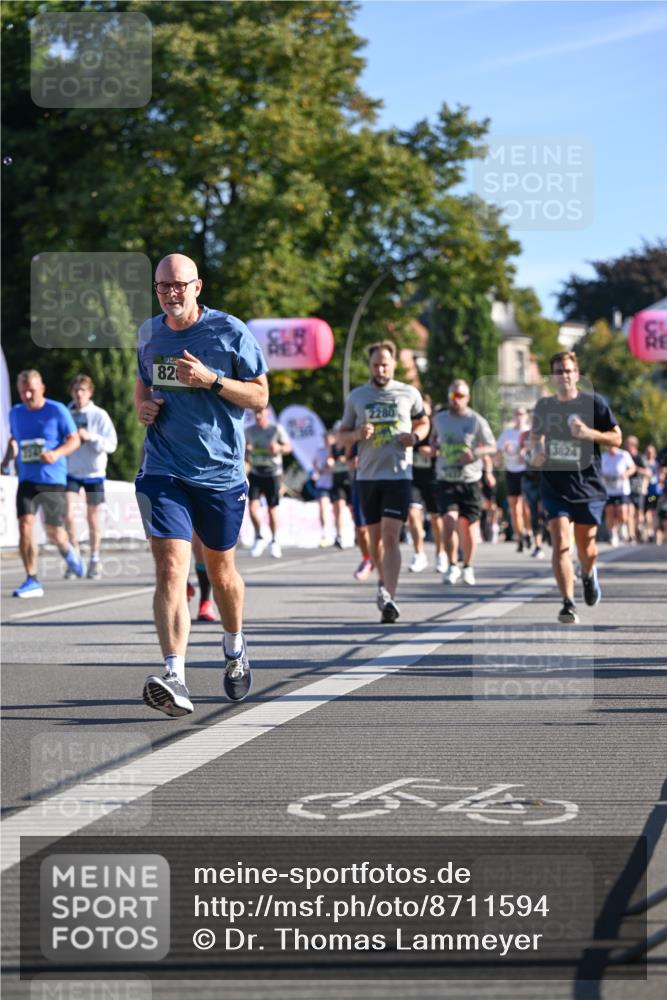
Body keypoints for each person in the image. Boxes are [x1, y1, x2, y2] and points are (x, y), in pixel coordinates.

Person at [135, 253, 268, 717]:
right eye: (162, 286)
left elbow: (259, 395)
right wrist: (144, 409)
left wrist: (211, 380)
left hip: (220, 472)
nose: (170, 293)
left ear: (197, 287)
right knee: (172, 568)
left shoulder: (229, 331)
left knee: (221, 574)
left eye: (178, 285)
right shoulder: (148, 334)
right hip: (162, 468)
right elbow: (142, 383)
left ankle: (234, 646)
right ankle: (175, 675)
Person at [528, 351, 622, 624]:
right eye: (559, 371)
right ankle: (568, 603)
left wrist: (588, 433)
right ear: (552, 377)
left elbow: (617, 438)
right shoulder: (544, 407)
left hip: (587, 485)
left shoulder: (594, 404)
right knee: (560, 543)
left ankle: (588, 573)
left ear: (577, 374)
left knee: (588, 548)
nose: (564, 375)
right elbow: (535, 438)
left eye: (568, 370)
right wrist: (536, 452)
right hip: (554, 484)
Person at [338, 340, 429, 622]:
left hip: (398, 474)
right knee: (375, 538)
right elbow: (341, 435)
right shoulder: (357, 397)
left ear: (393, 365)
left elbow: (424, 423)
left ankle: (389, 595)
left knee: (391, 534)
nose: (381, 369)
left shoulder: (408, 393)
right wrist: (355, 436)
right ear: (370, 365)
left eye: (385, 364)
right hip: (367, 476)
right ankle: (382, 583)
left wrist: (414, 437)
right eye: (376, 364)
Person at [4, 369, 84, 597]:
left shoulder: (57, 410)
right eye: (22, 391)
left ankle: (68, 551)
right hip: (27, 480)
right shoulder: (16, 412)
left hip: (52, 480)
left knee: (53, 532)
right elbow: (14, 439)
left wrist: (56, 454)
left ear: (42, 388)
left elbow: (74, 440)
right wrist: (7, 459)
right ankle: (32, 579)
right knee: (25, 526)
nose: (27, 395)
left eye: (31, 390)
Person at [431, 379, 497, 586]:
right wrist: (432, 449)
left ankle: (467, 566)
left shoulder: (476, 420)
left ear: (467, 398)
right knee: (449, 522)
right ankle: (452, 565)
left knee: (467, 527)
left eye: (460, 396)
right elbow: (433, 440)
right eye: (453, 395)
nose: (456, 400)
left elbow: (492, 446)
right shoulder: (439, 419)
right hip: (446, 479)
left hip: (469, 479)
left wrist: (475, 453)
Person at [64, 374, 118, 579]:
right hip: (72, 472)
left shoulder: (99, 415)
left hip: (94, 473)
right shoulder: (66, 414)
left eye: (83, 390)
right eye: (76, 390)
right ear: (71, 392)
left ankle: (95, 559)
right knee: (67, 514)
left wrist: (91, 437)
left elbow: (112, 444)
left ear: (90, 392)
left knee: (92, 518)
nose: (79, 394)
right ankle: (74, 557)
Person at [245, 406, 292, 558]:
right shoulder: (249, 430)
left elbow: (289, 447)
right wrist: (247, 451)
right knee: (252, 507)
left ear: (267, 413)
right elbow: (243, 453)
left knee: (272, 509)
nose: (257, 416)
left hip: (273, 473)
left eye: (260, 413)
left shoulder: (275, 429)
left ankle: (275, 540)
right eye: (255, 413)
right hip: (255, 472)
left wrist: (278, 448)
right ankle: (260, 536)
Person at [496, 407, 532, 552]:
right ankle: (520, 536)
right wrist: (499, 459)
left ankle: (529, 531)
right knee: (514, 508)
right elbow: (498, 450)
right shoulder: (507, 433)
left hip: (526, 472)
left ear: (526, 416)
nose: (519, 416)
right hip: (511, 472)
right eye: (516, 414)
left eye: (521, 414)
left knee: (526, 507)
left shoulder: (530, 432)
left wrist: (526, 452)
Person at [600, 444, 636, 546]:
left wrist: (626, 473)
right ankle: (613, 534)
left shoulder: (623, 454)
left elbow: (633, 468)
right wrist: (604, 476)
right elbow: (599, 471)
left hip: (622, 490)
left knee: (623, 512)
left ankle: (622, 526)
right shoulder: (604, 456)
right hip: (609, 490)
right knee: (610, 512)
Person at [625, 435, 650, 542]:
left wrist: (636, 469)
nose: (626, 445)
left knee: (639, 514)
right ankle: (631, 535)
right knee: (629, 512)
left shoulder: (640, 457)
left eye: (627, 444)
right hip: (627, 488)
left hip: (638, 488)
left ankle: (640, 529)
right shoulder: (625, 456)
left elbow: (648, 473)